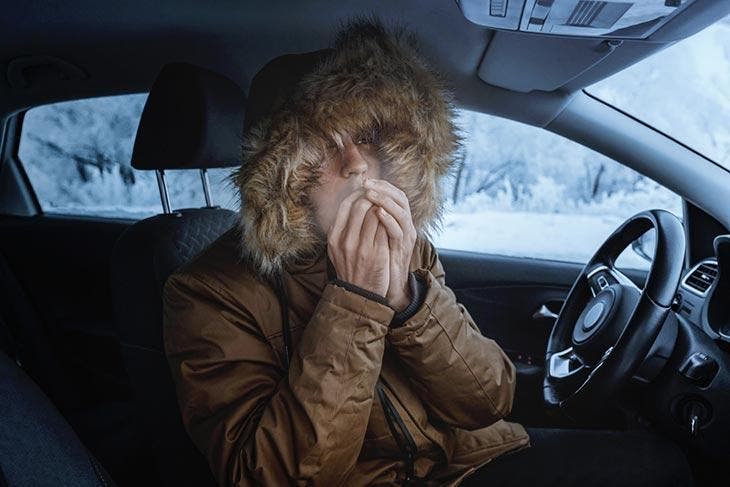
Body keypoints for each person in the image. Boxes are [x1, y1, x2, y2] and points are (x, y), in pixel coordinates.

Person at [162, 18, 693, 487]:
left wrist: (410, 300)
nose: (355, 165)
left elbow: (488, 399)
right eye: (322, 144)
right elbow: (274, 476)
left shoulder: (408, 245)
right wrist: (356, 301)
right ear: (280, 175)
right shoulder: (206, 294)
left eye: (368, 137)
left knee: (660, 462)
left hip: (470, 462)